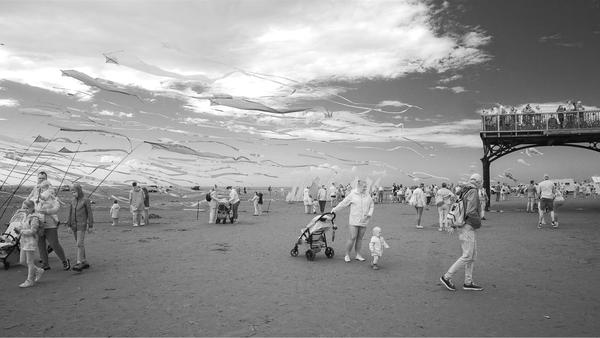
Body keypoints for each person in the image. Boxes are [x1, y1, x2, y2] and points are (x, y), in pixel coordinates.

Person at [440, 173, 484, 292]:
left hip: (462, 224)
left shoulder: (464, 190)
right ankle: (447, 277)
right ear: (479, 182)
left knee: (471, 255)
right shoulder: (473, 191)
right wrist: (478, 222)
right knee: (468, 255)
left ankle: (468, 281)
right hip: (467, 226)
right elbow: (471, 210)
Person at [27, 171, 70, 271]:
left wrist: (46, 211)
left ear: (46, 179)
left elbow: (56, 206)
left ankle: (64, 260)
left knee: (54, 243)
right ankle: (45, 264)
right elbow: (28, 201)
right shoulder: (35, 189)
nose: (40, 180)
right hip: (38, 222)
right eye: (39, 178)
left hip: (50, 222)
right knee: (41, 244)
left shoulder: (50, 190)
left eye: (43, 178)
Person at [331, 180, 374, 263]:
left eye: (366, 186)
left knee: (360, 238)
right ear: (359, 186)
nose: (365, 188)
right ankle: (347, 255)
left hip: (364, 220)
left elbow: (372, 205)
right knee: (353, 237)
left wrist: (369, 214)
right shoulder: (352, 194)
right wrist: (335, 210)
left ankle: (358, 254)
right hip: (354, 220)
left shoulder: (367, 195)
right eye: (364, 186)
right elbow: (343, 203)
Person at [13, 200, 45, 287]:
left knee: (29, 261)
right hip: (23, 241)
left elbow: (33, 231)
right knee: (22, 261)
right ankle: (38, 270)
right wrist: (18, 229)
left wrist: (21, 231)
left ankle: (30, 280)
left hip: (31, 242)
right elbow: (23, 226)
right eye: (24, 208)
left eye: (27, 208)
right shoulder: (25, 216)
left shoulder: (34, 218)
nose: (25, 210)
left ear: (32, 208)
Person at [67, 184, 94, 272]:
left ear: (79, 191)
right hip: (74, 225)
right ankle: (84, 261)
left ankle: (79, 263)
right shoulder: (72, 201)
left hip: (82, 225)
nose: (73, 194)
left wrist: (90, 225)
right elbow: (70, 213)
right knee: (80, 244)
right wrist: (69, 225)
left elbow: (90, 213)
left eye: (74, 192)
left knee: (79, 244)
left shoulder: (86, 200)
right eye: (72, 192)